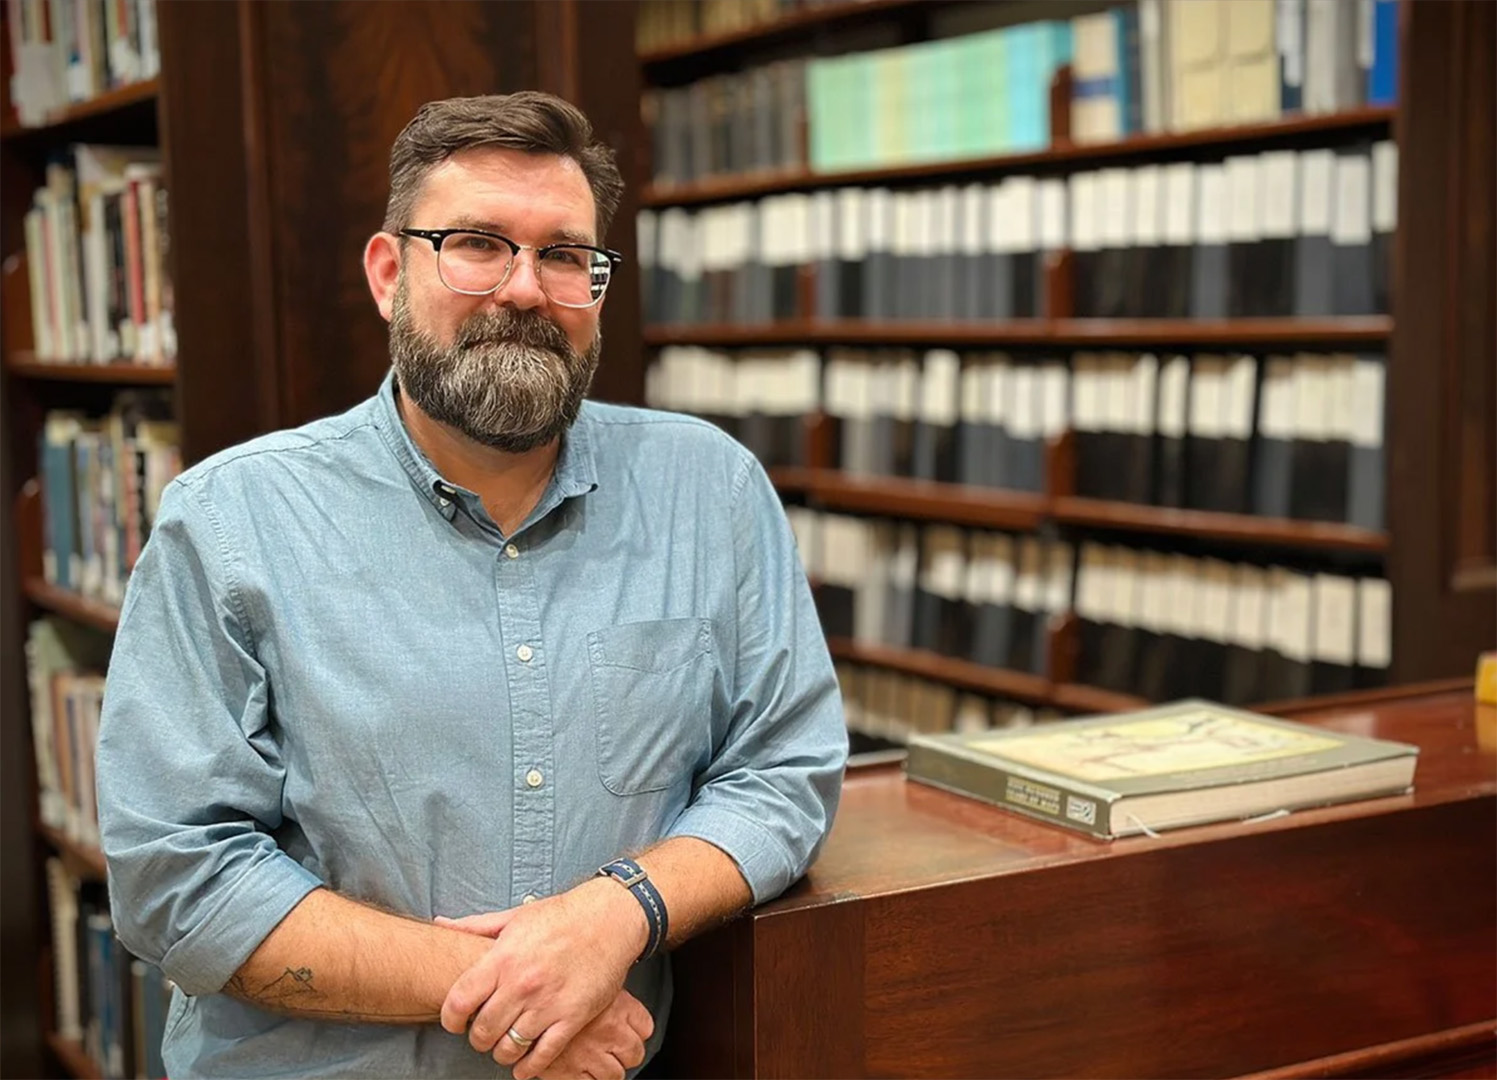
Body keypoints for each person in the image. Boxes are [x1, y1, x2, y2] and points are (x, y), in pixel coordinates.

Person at [96, 91, 847, 1079]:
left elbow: (785, 766)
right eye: (478, 245)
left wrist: (615, 912)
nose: (526, 289)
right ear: (386, 273)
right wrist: (534, 989)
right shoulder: (230, 522)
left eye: (565, 255)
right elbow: (176, 879)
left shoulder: (709, 489)